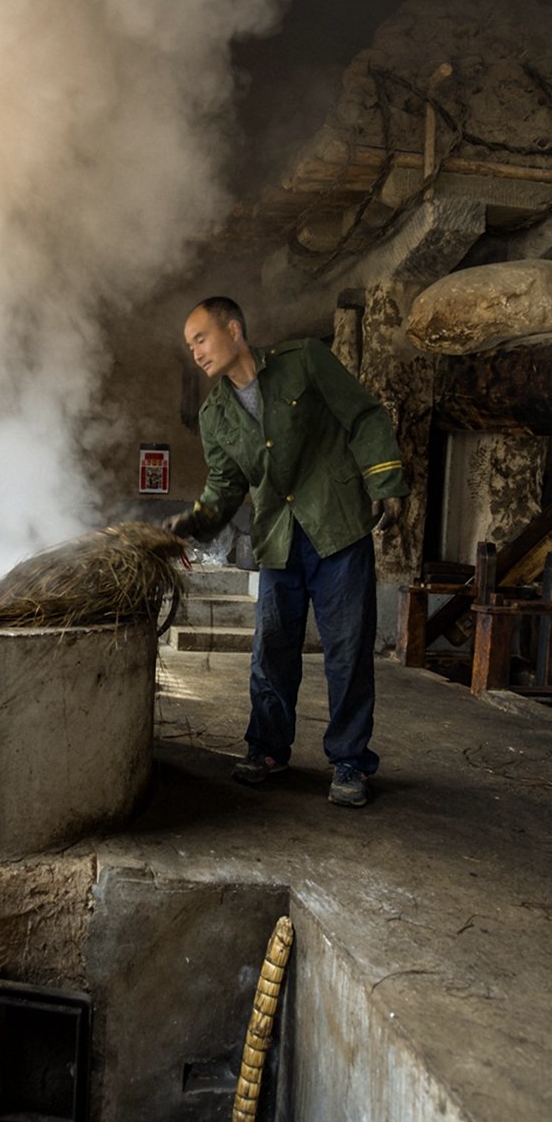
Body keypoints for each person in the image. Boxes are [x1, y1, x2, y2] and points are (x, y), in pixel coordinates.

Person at [166, 296, 408, 807]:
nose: (196, 354)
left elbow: (362, 414)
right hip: (277, 537)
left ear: (234, 330)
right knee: (271, 650)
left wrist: (384, 480)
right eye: (190, 347)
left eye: (201, 339)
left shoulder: (303, 360)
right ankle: (269, 749)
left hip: (337, 526)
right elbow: (225, 486)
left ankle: (349, 763)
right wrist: (191, 523)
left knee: (347, 651)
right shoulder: (214, 415)